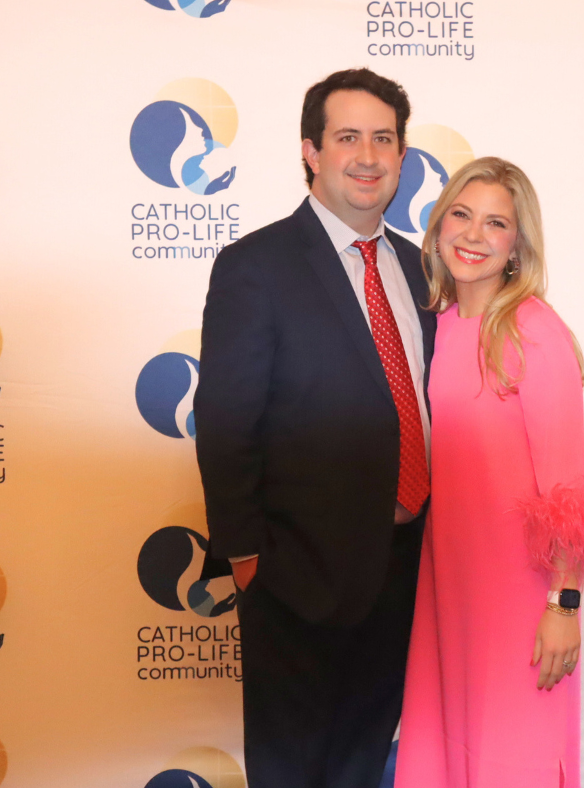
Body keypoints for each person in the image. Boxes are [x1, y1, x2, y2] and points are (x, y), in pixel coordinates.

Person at [194, 68, 435, 788]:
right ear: (311, 150)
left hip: (408, 568)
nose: (368, 156)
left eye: (384, 139)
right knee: (292, 770)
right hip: (296, 575)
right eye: (348, 137)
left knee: (363, 762)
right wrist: (247, 559)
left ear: (402, 155)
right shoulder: (256, 266)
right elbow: (226, 419)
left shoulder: (422, 269)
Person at [394, 158, 584, 788]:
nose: (473, 234)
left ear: (517, 245)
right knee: (446, 758)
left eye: (495, 223)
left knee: (511, 762)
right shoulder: (434, 330)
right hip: (447, 591)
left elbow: (568, 488)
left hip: (523, 600)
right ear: (439, 227)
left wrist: (563, 604)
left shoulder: (533, 331)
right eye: (461, 215)